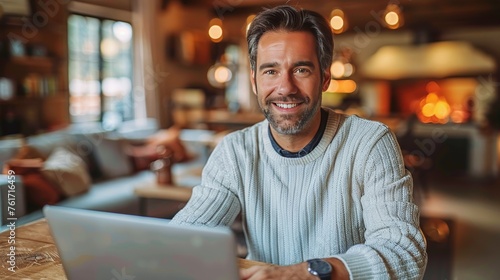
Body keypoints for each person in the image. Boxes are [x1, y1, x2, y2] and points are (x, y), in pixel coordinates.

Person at [171, 5, 427, 280]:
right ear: (255, 81)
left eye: (301, 69)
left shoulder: (370, 143)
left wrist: (304, 273)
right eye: (271, 71)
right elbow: (185, 239)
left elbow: (404, 253)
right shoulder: (235, 152)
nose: (286, 87)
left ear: (325, 78)